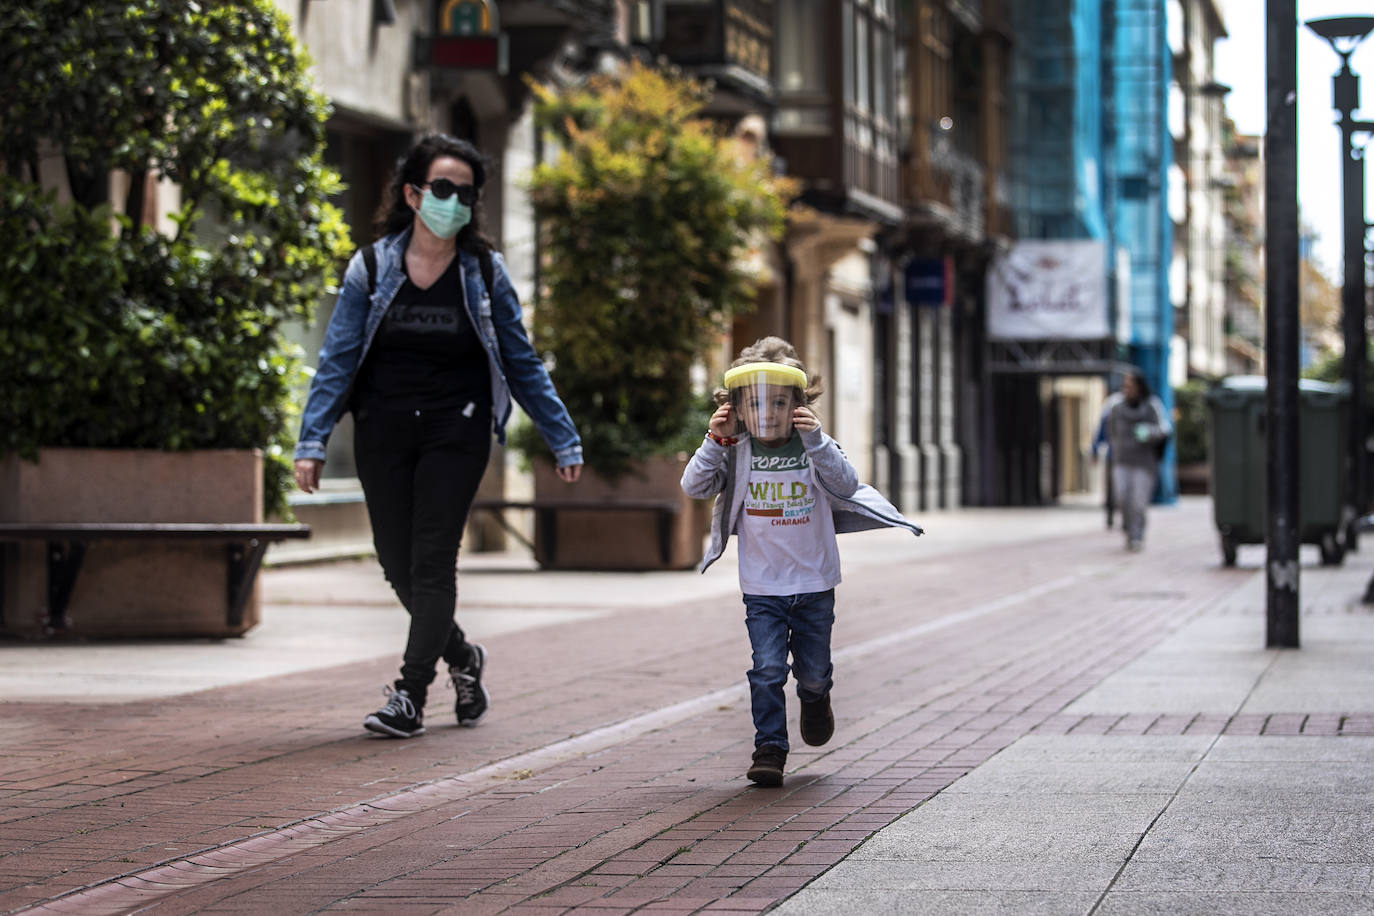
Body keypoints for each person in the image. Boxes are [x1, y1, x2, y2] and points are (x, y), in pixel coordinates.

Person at [293, 133, 583, 739]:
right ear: (413, 193)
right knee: (396, 564)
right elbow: (337, 359)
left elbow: (521, 360)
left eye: (467, 194)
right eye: (444, 189)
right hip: (383, 431)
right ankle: (463, 657)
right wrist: (312, 440)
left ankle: (410, 693)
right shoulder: (371, 267)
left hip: (459, 429)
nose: (455, 203)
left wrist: (562, 436)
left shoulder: (483, 271)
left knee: (432, 563)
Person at [680, 337, 922, 787]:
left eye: (779, 403)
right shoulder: (735, 448)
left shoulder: (814, 444)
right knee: (767, 669)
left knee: (812, 672)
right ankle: (769, 748)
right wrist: (714, 439)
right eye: (755, 404)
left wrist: (816, 439)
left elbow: (845, 484)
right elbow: (694, 487)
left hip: (813, 582)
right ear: (736, 408)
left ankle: (816, 698)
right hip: (762, 586)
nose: (767, 414)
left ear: (797, 404)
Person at [1097, 369, 1171, 552]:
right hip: (1122, 461)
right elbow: (1109, 431)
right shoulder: (1116, 407)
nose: (1127, 389)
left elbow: (1164, 429)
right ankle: (1129, 530)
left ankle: (1137, 536)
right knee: (1122, 499)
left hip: (1144, 464)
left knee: (1138, 502)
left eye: (1130, 385)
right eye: (1125, 385)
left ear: (1139, 386)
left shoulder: (1152, 405)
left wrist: (1149, 432)